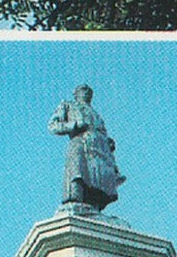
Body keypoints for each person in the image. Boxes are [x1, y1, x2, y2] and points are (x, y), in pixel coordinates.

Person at [48, 83, 125, 212]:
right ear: (76, 94)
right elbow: (53, 125)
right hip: (80, 143)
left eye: (89, 91)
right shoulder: (68, 106)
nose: (87, 93)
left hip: (99, 150)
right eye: (83, 90)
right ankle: (75, 200)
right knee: (78, 173)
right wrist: (74, 125)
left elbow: (102, 131)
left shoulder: (96, 115)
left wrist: (109, 142)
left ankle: (94, 206)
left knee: (98, 179)